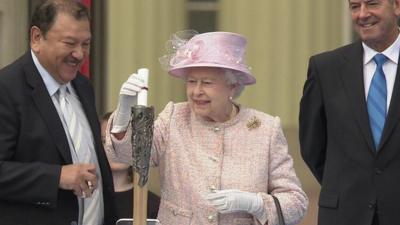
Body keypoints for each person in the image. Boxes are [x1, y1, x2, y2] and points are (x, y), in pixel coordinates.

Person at [107, 31, 308, 225]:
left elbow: (296, 203)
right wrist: (124, 113)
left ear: (233, 86)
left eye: (207, 83)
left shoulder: (265, 129)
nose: (196, 91)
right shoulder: (174, 118)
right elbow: (129, 156)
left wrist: (256, 204)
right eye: (192, 82)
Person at [0, 0, 116, 224]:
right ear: (36, 38)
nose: (80, 54)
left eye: (86, 44)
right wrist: (57, 177)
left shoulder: (83, 86)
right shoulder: (7, 89)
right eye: (70, 43)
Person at [299, 0, 400, 224]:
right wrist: (347, 185)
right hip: (344, 213)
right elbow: (312, 145)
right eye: (355, 6)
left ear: (397, 6)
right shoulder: (325, 68)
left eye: (372, 4)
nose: (362, 14)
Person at [100, 112, 160, 219]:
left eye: (125, 142)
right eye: (106, 141)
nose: (118, 148)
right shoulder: (86, 199)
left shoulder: (153, 205)